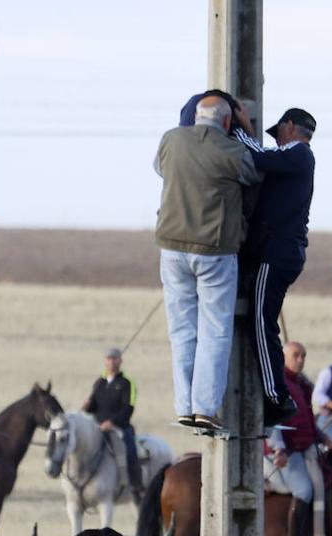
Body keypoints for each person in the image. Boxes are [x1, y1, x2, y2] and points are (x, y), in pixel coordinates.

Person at [155, 94, 262, 433]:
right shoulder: (231, 151)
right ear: (227, 122)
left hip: (171, 248)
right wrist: (249, 131)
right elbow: (256, 169)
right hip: (214, 251)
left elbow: (160, 167)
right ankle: (205, 407)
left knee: (182, 330)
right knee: (214, 331)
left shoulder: (170, 140)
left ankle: (184, 406)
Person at [232, 107, 318, 426]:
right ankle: (275, 393)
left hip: (278, 253)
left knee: (260, 321)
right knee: (261, 319)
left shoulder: (299, 154)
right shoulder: (297, 158)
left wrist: (240, 130)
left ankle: (276, 396)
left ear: (290, 126)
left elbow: (260, 158)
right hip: (280, 253)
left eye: (278, 132)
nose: (277, 141)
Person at [264, 342, 326, 536]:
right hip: (284, 452)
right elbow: (273, 419)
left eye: (303, 356)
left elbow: (306, 420)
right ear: (283, 357)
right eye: (296, 355)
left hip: (303, 448)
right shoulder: (277, 383)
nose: (300, 360)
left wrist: (323, 438)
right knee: (304, 490)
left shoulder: (299, 385)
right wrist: (278, 449)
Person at [82, 348, 144, 505]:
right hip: (98, 427)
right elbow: (94, 406)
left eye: (114, 358)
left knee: (130, 450)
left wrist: (113, 422)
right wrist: (88, 406)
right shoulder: (99, 382)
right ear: (105, 361)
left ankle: (137, 486)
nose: (111, 362)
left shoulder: (127, 383)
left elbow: (128, 408)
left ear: (120, 361)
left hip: (120, 427)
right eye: (109, 358)